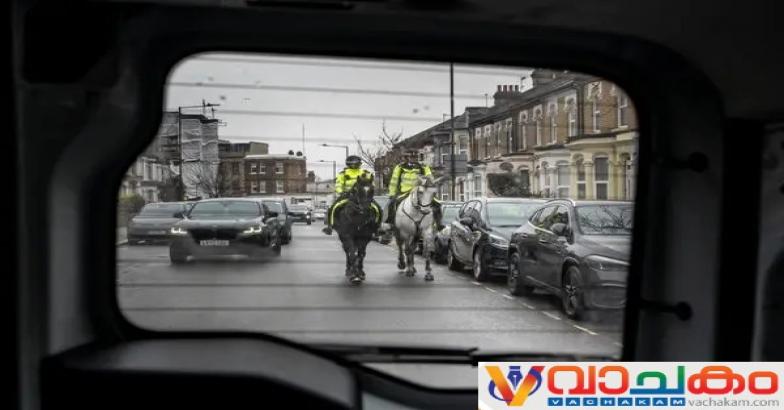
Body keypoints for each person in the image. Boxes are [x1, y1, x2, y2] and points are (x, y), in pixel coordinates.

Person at [383, 150, 443, 231]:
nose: (414, 159)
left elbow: (429, 177)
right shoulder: (400, 167)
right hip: (405, 192)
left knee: (437, 204)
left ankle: (439, 224)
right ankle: (391, 223)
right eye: (412, 157)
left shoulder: (423, 167)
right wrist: (392, 194)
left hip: (420, 192)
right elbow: (394, 181)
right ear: (408, 158)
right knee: (392, 204)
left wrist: (429, 181)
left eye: (416, 157)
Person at [322, 155, 376, 235]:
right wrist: (341, 191)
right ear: (348, 164)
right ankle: (330, 226)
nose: (354, 165)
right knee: (333, 207)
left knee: (377, 208)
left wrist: (370, 190)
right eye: (352, 164)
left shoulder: (365, 173)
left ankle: (378, 227)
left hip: (363, 195)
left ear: (359, 163)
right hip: (347, 195)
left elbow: (371, 183)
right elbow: (338, 185)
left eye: (356, 163)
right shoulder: (343, 174)